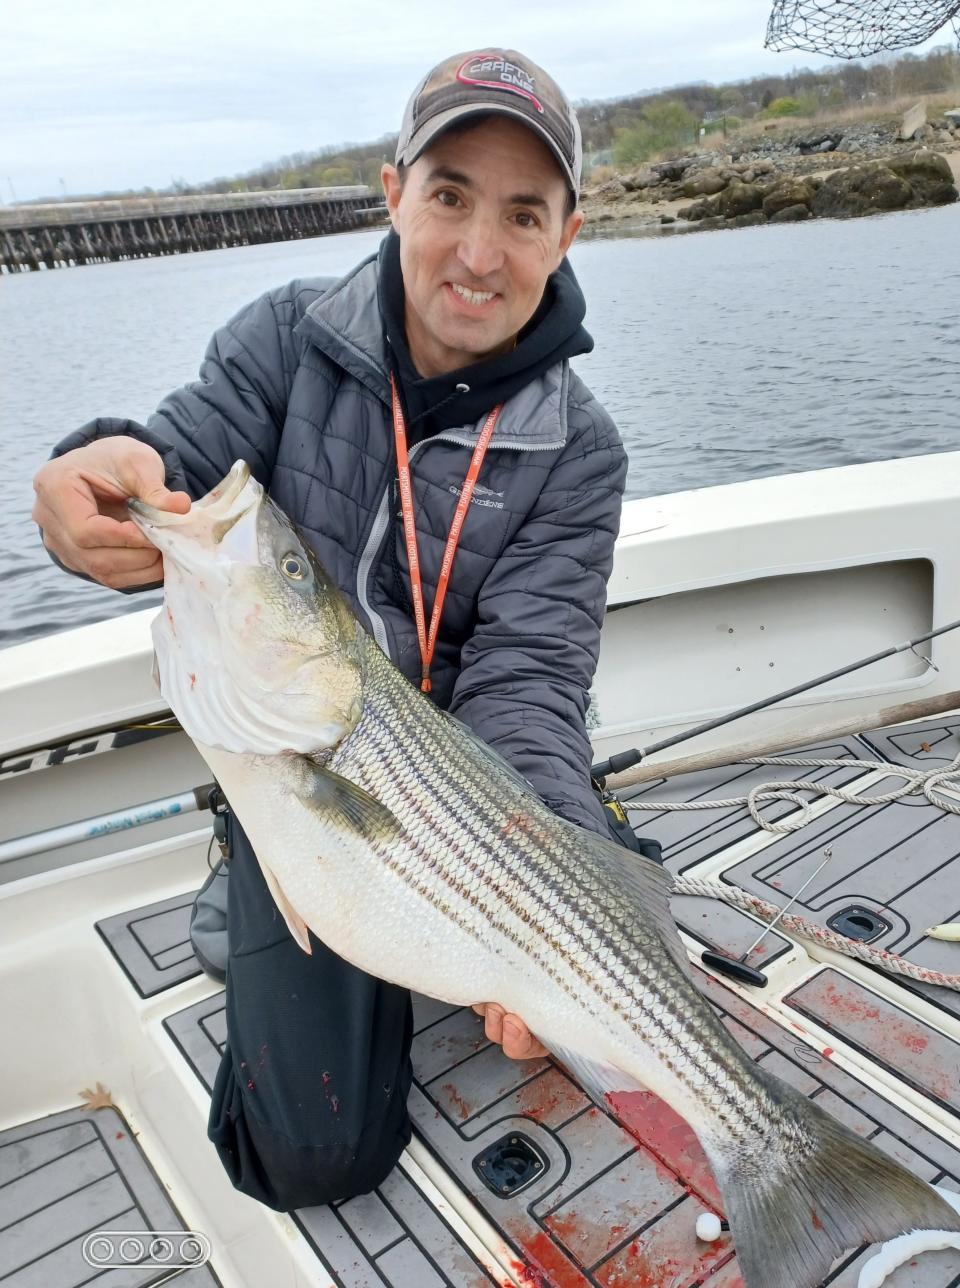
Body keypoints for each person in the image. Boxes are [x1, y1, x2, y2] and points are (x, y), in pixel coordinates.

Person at [32, 49, 641, 1211]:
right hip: (304, 767)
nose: (478, 250)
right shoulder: (285, 339)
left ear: (568, 233)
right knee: (312, 1153)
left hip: (474, 785)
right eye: (450, 194)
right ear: (392, 192)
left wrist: (549, 889)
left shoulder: (581, 449)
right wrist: (88, 485)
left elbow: (530, 680)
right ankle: (261, 886)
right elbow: (172, 471)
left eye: (523, 213)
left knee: (606, 962)